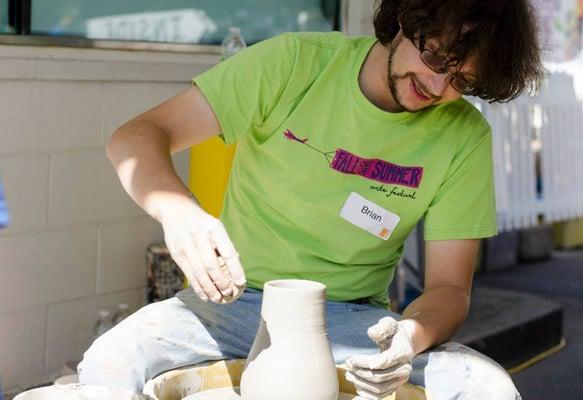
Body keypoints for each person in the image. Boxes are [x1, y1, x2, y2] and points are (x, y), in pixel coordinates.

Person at [79, 0, 543, 398]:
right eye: (437, 57)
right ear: (405, 18)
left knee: (488, 388)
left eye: (461, 81)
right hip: (228, 306)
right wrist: (179, 212)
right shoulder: (294, 65)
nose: (438, 88)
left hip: (354, 323)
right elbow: (135, 137)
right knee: (111, 363)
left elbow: (449, 289)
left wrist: (409, 336)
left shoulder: (464, 136)